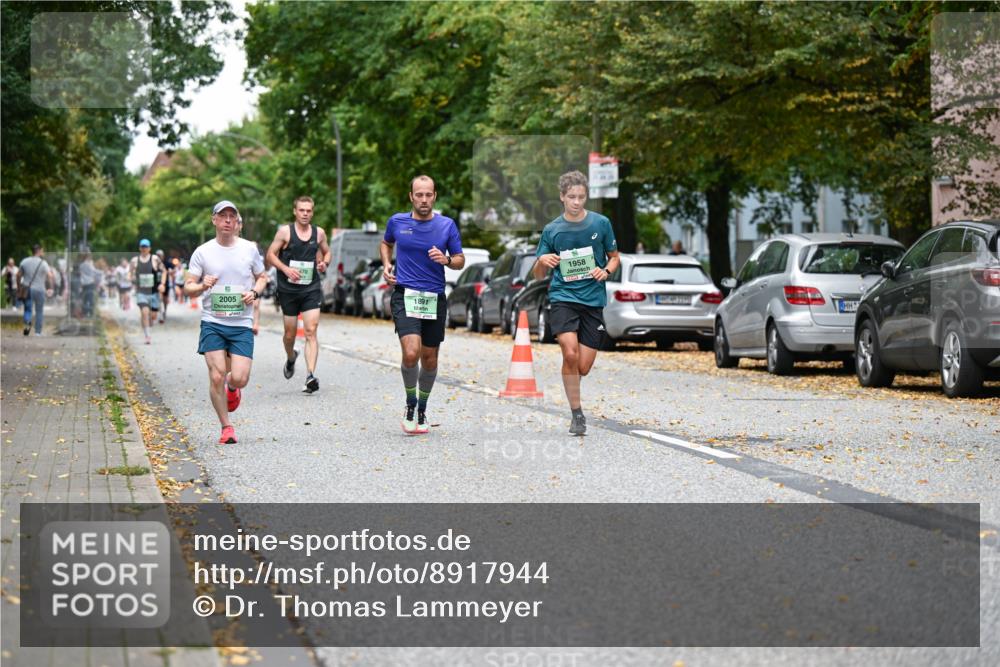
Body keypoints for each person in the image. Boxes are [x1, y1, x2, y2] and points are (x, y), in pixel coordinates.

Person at [533, 170, 619, 436]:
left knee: (583, 367)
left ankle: (572, 386)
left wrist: (606, 271)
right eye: (572, 197)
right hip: (563, 298)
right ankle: (577, 414)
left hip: (593, 300)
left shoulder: (601, 223)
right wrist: (542, 261)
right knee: (569, 354)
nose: (577, 202)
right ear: (562, 197)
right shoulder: (552, 230)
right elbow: (538, 274)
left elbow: (615, 257)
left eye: (581, 197)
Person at [380, 175, 465, 435]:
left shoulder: (446, 225)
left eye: (429, 195)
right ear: (411, 197)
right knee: (411, 352)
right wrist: (387, 264)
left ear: (434, 196)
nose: (424, 199)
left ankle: (422, 408)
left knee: (429, 359)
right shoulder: (397, 222)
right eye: (419, 194)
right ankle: (410, 403)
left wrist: (446, 260)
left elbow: (460, 259)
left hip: (434, 297)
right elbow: (386, 243)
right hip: (405, 294)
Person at [184, 200, 268, 445]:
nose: (228, 220)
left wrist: (254, 292)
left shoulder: (249, 249)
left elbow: (262, 277)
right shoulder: (202, 252)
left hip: (241, 323)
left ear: (237, 221)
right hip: (213, 322)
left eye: (232, 216)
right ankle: (226, 427)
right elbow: (188, 287)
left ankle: (233, 388)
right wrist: (202, 285)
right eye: (223, 216)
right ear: (214, 220)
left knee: (240, 378)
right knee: (217, 375)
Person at [266, 196, 331, 394]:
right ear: (295, 211)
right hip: (288, 290)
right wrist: (285, 269)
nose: (305, 214)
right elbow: (270, 255)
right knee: (289, 335)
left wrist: (324, 263)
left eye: (308, 210)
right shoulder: (285, 232)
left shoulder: (319, 233)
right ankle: (291, 356)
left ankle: (310, 376)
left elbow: (327, 252)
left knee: (311, 330)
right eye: (301, 210)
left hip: (310, 288)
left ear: (312, 212)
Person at [129, 239, 167, 344]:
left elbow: (164, 271)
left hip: (154, 292)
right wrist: (130, 277)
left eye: (146, 247)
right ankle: (147, 336)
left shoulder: (155, 259)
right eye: (142, 247)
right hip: (141, 292)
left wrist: (162, 284)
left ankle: (149, 322)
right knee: (144, 312)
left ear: (149, 248)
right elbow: (130, 273)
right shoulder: (135, 260)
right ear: (139, 248)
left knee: (153, 316)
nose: (144, 249)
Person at [18, 244, 56, 336]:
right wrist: (51, 288)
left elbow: (18, 275)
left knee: (28, 309)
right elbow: (50, 276)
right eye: (42, 251)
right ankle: (37, 332)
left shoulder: (24, 261)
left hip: (27, 289)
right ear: (39, 251)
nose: (43, 252)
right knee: (39, 311)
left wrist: (19, 287)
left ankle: (27, 321)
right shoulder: (43, 263)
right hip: (40, 290)